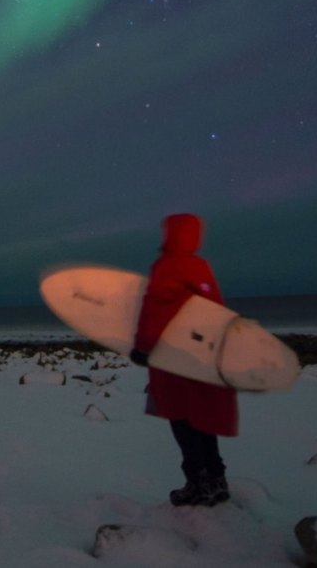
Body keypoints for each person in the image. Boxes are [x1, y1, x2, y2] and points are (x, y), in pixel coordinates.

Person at [130, 213, 239, 507]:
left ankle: (197, 483)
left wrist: (142, 348)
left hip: (172, 357)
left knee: (180, 417)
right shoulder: (200, 266)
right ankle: (217, 479)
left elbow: (153, 311)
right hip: (201, 355)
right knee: (202, 416)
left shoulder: (167, 266)